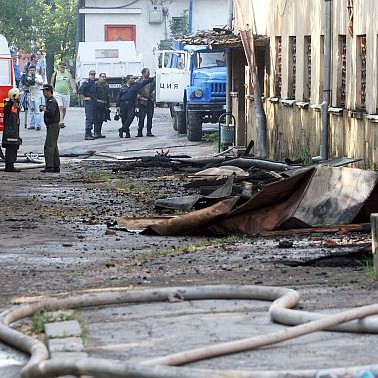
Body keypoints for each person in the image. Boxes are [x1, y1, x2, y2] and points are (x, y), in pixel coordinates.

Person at [116, 74, 154, 138]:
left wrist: (151, 79)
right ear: (128, 80)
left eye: (133, 78)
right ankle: (127, 133)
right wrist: (117, 106)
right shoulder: (123, 87)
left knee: (130, 118)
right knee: (124, 119)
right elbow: (118, 97)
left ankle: (122, 129)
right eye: (132, 78)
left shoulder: (136, 85)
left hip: (131, 104)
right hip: (123, 104)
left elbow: (144, 83)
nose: (133, 80)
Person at [40, 84, 61, 173]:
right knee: (54, 146)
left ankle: (49, 166)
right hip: (51, 125)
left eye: (45, 91)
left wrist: (45, 110)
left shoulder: (52, 101)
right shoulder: (49, 101)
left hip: (53, 125)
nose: (44, 93)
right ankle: (56, 166)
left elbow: (51, 113)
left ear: (49, 91)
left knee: (48, 146)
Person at [51, 62, 77, 128]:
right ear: (59, 67)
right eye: (61, 67)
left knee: (64, 108)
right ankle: (61, 122)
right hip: (57, 93)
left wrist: (74, 89)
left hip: (66, 93)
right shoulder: (55, 74)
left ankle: (61, 120)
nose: (62, 68)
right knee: (60, 107)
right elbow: (51, 83)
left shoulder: (68, 74)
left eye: (63, 67)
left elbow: (71, 82)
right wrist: (52, 90)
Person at [2, 88, 22, 172]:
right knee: (10, 150)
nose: (20, 97)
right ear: (14, 96)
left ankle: (11, 165)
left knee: (13, 150)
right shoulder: (8, 106)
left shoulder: (15, 107)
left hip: (14, 133)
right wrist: (12, 100)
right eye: (19, 96)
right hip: (10, 134)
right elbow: (6, 110)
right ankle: (9, 166)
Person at [21, 65, 44, 130]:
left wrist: (34, 80)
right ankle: (32, 125)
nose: (32, 71)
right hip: (30, 95)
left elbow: (41, 83)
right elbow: (24, 84)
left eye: (33, 70)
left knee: (37, 111)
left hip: (37, 95)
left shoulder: (38, 76)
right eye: (31, 70)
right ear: (29, 70)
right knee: (31, 111)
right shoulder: (27, 77)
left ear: (35, 70)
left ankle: (38, 125)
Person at [136, 68, 155, 137]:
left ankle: (149, 131)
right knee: (141, 117)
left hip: (150, 101)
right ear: (143, 73)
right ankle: (139, 132)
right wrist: (138, 97)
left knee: (150, 117)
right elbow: (135, 91)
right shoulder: (138, 81)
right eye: (147, 72)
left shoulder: (152, 81)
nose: (149, 73)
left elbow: (155, 89)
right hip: (142, 102)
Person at [78, 70, 97, 140]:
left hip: (94, 102)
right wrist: (84, 98)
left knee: (93, 118)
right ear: (89, 75)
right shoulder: (86, 82)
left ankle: (90, 133)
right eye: (91, 75)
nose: (93, 76)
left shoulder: (94, 83)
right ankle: (87, 134)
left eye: (94, 75)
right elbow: (80, 91)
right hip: (89, 102)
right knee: (90, 117)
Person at [94, 73, 110, 139]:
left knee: (101, 119)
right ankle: (95, 133)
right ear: (99, 77)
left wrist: (108, 104)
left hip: (104, 104)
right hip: (97, 103)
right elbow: (93, 93)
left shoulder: (106, 85)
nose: (104, 78)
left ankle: (99, 133)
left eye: (105, 77)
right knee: (96, 119)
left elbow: (108, 95)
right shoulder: (96, 84)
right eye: (102, 77)